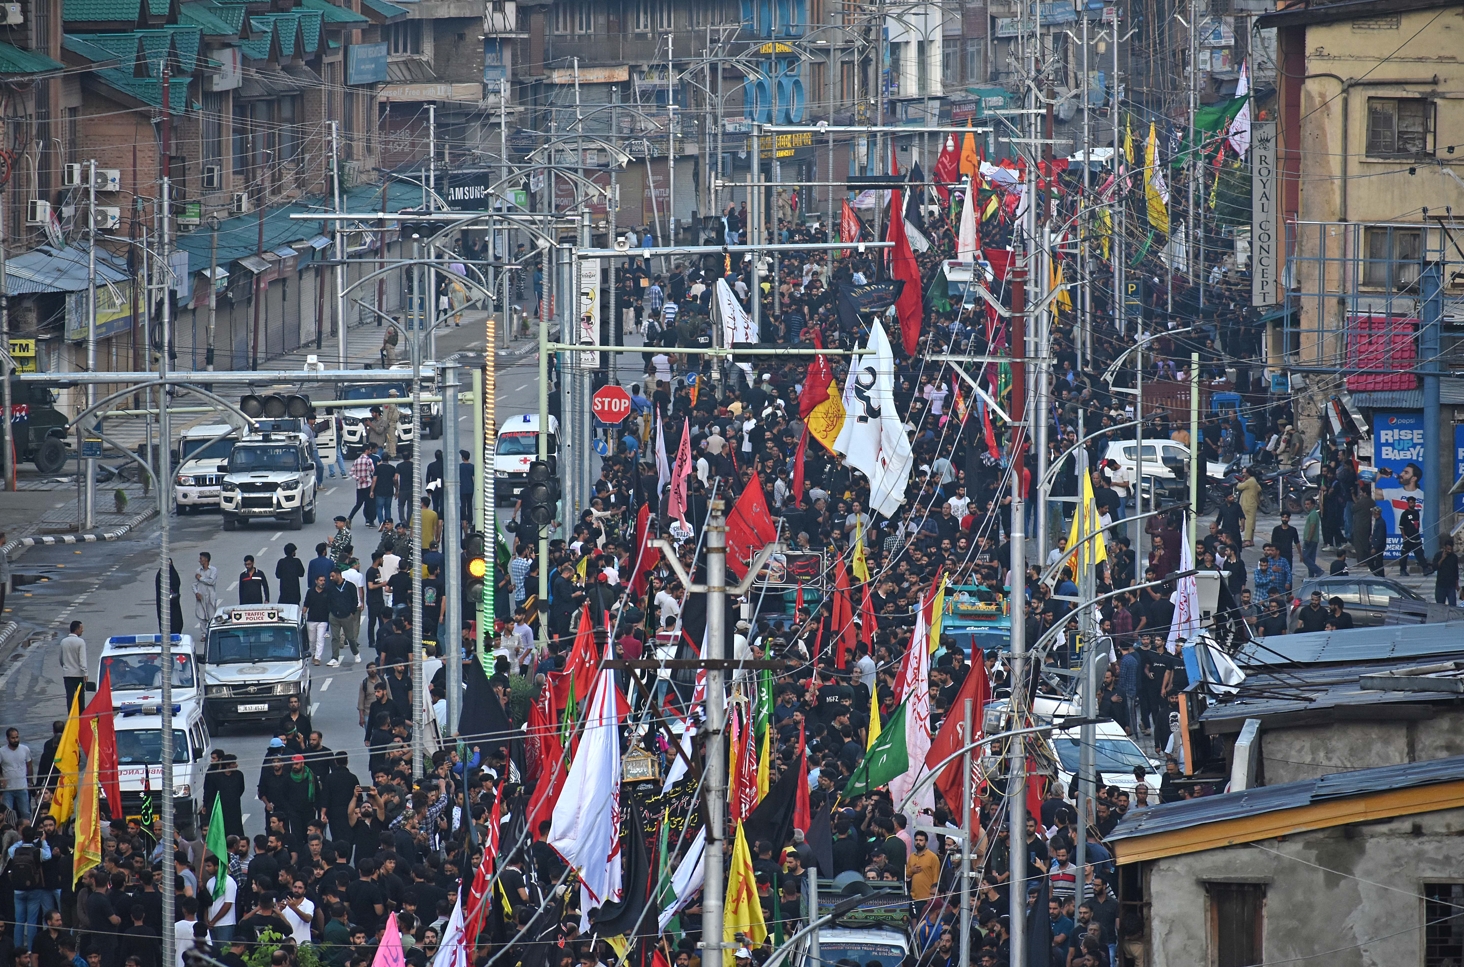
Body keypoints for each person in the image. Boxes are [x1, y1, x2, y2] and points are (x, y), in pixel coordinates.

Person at [0, 729, 33, 818]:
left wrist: (30, 781)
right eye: (13, 738)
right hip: (8, 789)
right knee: (7, 814)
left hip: (22, 787)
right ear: (7, 739)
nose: (15, 740)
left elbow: (29, 765)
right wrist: (1, 778)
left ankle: (27, 830)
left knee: (25, 812)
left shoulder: (25, 749)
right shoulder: (2, 751)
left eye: (17, 737)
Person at [59, 622, 86, 711]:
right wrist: (85, 673)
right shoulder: (80, 642)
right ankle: (81, 717)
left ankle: (71, 717)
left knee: (70, 697)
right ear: (77, 629)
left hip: (67, 675)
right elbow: (82, 659)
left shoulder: (63, 641)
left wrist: (66, 667)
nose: (82, 630)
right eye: (81, 628)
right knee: (80, 698)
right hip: (78, 675)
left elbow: (61, 659)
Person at [1398, 496, 1427, 576]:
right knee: (1404, 554)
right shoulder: (1405, 514)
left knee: (1419, 553)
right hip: (1408, 538)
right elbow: (1401, 526)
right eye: (1410, 502)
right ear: (1408, 503)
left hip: (1416, 538)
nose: (1412, 504)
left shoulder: (1416, 513)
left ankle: (1425, 568)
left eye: (1413, 502)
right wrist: (1404, 536)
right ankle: (1402, 569)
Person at [155, 560, 184, 634]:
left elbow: (177, 584)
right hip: (163, 603)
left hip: (173, 603)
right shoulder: (160, 575)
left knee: (176, 620)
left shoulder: (173, 575)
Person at [192, 553, 219, 633]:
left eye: (201, 559)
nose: (199, 560)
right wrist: (196, 593)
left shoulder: (213, 570)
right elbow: (194, 584)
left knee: (211, 614)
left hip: (210, 595)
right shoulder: (198, 571)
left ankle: (211, 632)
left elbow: (211, 581)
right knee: (201, 615)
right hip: (201, 595)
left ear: (206, 559)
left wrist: (201, 578)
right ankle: (204, 634)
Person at [1435, 539, 1460, 607]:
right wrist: (1442, 558)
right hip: (1441, 585)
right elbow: (1435, 567)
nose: (1449, 551)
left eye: (1450, 549)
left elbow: (1455, 571)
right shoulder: (1438, 555)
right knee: (1440, 605)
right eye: (1448, 549)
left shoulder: (1454, 557)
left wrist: (1457, 584)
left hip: (1451, 585)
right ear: (1444, 547)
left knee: (1452, 605)